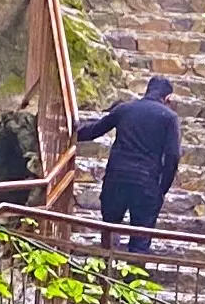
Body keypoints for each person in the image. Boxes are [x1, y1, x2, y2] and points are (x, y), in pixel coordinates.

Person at [70, 74, 185, 253]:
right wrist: (161, 189)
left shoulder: (125, 109)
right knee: (140, 239)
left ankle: (105, 275)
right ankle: (133, 278)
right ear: (167, 97)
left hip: (116, 178)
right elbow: (172, 156)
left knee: (110, 231)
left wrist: (69, 129)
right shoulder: (169, 118)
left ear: (147, 90)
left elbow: (93, 130)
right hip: (146, 183)